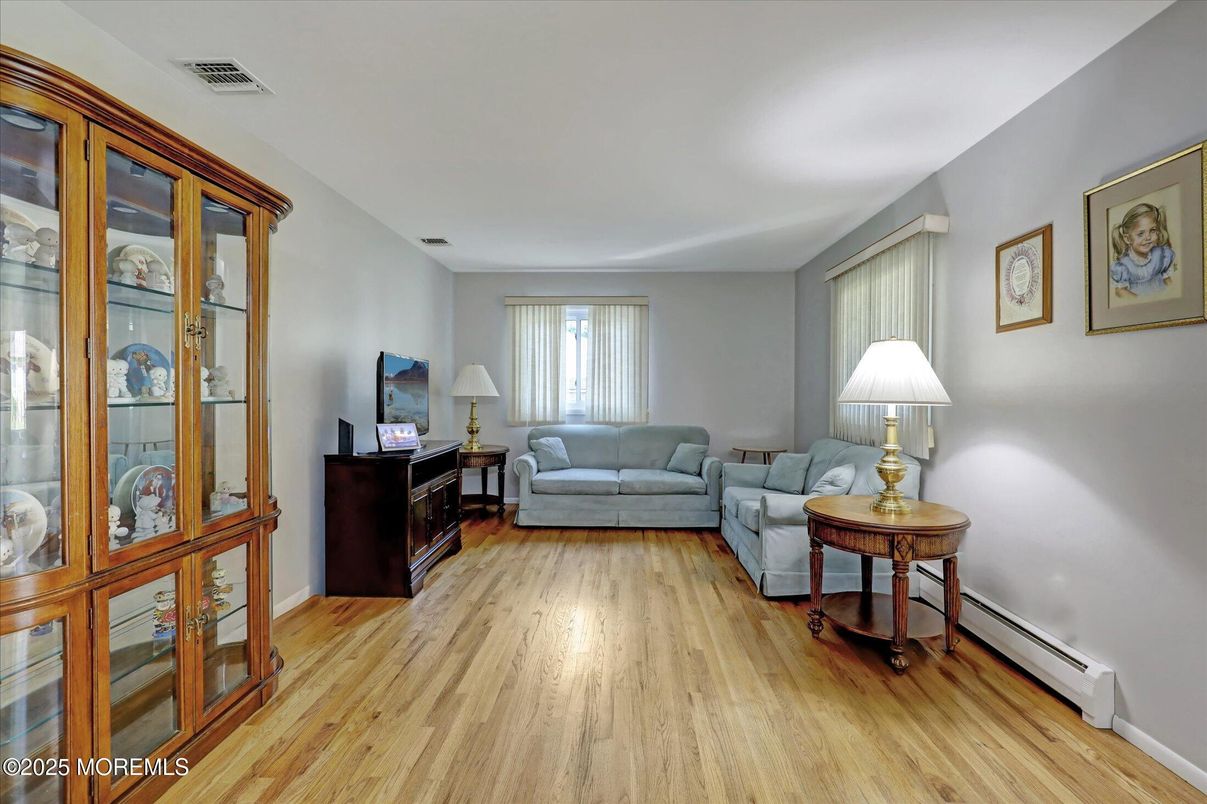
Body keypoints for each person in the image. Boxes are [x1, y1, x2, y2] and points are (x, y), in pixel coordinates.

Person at [1109, 202, 1176, 297]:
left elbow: (1167, 280)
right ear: (1127, 239)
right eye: (1141, 234)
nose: (1148, 237)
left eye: (1152, 230)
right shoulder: (1124, 265)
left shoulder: (1161, 255)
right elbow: (1121, 291)